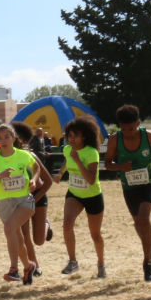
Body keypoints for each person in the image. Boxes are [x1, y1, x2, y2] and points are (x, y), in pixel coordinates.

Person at [104, 104, 151, 282]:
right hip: (129, 185)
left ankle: (147, 264)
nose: (128, 132)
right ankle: (149, 246)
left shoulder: (148, 135)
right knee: (138, 223)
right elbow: (108, 163)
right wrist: (120, 167)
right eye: (124, 129)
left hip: (148, 181)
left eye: (131, 128)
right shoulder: (114, 140)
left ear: (138, 123)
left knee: (144, 218)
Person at [0, 123, 39, 284]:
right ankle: (28, 266)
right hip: (5, 203)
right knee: (18, 241)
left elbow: (36, 167)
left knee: (9, 228)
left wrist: (33, 180)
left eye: (6, 137)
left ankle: (14, 269)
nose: (3, 140)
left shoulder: (23, 155)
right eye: (0, 138)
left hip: (24, 200)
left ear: (13, 138)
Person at [55, 116, 106, 278]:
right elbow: (65, 161)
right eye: (69, 136)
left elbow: (91, 180)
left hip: (93, 196)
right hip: (74, 193)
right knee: (66, 224)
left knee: (95, 234)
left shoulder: (91, 153)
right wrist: (60, 173)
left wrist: (78, 162)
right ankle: (73, 262)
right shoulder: (67, 150)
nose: (71, 139)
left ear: (84, 136)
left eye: (75, 136)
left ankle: (101, 263)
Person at [10, 122, 54, 275]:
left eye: (12, 136)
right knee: (24, 234)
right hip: (21, 200)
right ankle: (35, 266)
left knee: (39, 240)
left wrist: (33, 201)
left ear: (21, 140)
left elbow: (48, 182)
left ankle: (46, 224)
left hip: (38, 197)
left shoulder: (31, 156)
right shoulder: (5, 158)